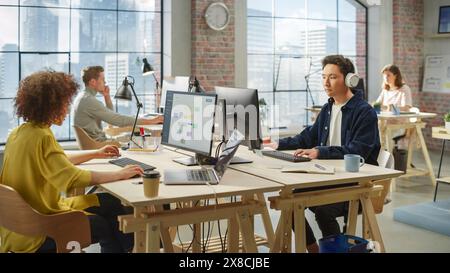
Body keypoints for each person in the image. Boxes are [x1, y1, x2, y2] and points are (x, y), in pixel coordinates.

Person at [0, 71, 144, 253]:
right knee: (103, 224)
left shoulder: (19, 133)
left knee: (109, 202)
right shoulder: (42, 136)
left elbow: (57, 158)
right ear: (51, 105)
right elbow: (72, 178)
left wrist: (95, 153)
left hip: (18, 228)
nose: (67, 109)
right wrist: (119, 174)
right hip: (40, 227)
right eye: (65, 103)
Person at [265, 55, 380, 253]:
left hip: (354, 182)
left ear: (350, 79)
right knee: (289, 199)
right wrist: (277, 144)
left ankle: (336, 251)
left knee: (323, 210)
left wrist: (320, 151)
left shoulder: (364, 112)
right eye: (324, 76)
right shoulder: (327, 108)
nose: (326, 82)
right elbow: (307, 137)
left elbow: (357, 151)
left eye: (333, 77)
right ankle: (313, 248)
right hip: (328, 176)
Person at [73, 66, 163, 142]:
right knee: (139, 138)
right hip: (100, 144)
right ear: (93, 82)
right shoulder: (89, 100)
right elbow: (118, 121)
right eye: (103, 79)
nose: (105, 82)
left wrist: (106, 96)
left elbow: (110, 117)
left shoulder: (83, 97)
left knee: (130, 135)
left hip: (97, 142)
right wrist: (151, 121)